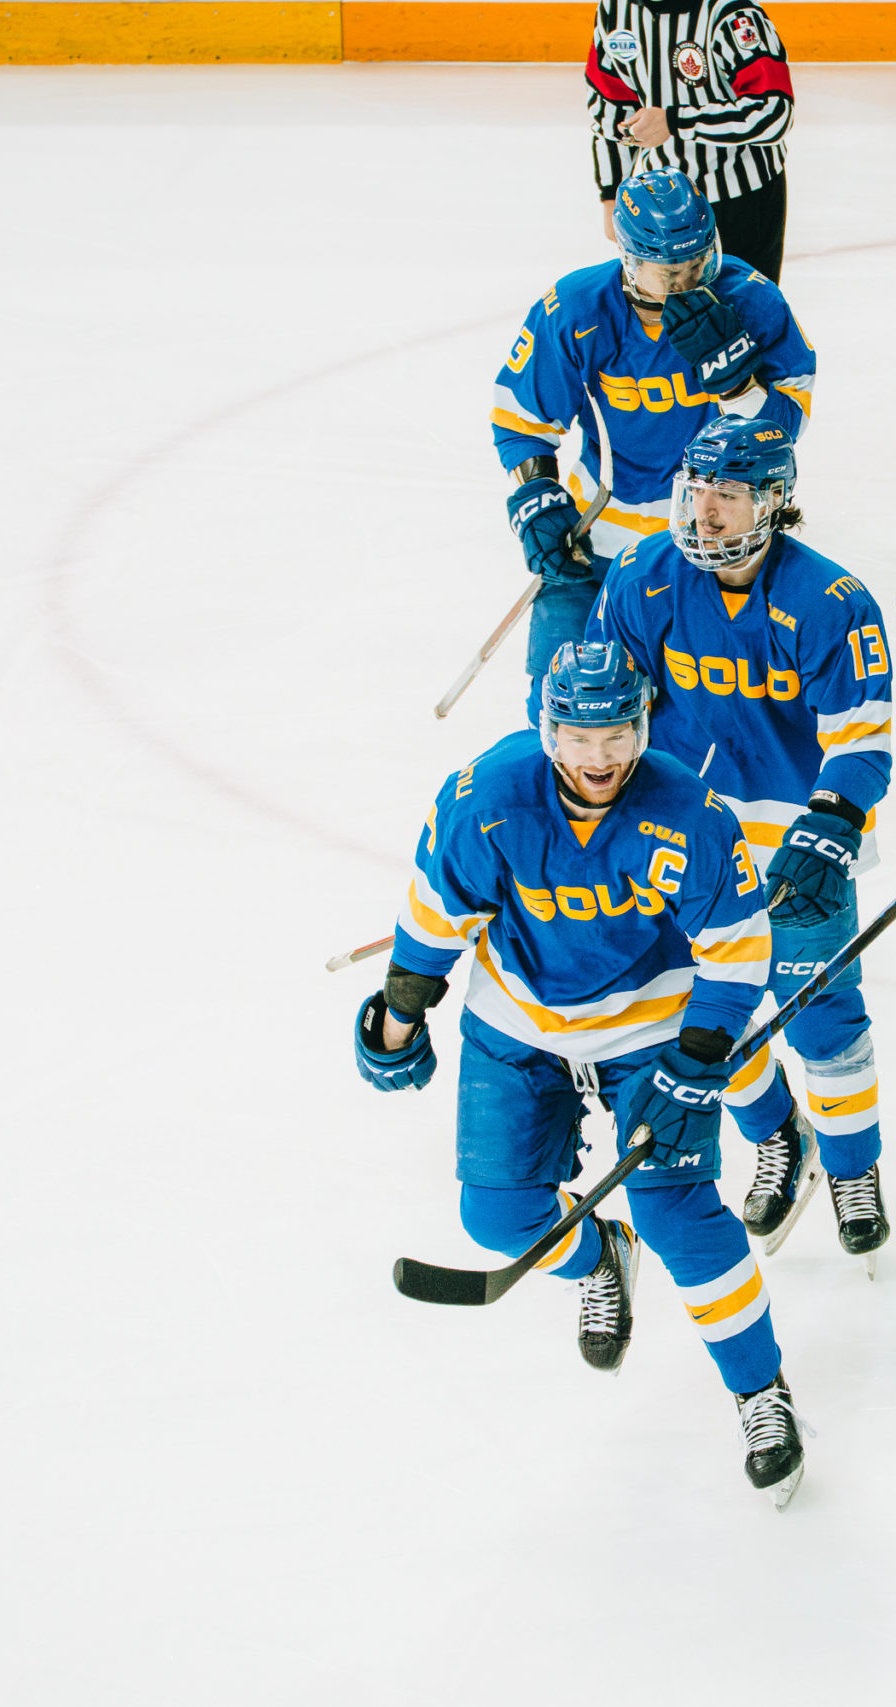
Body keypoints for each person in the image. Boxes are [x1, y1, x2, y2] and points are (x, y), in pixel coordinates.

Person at [351, 641, 806, 1507]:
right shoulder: (484, 799)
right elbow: (434, 911)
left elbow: (739, 953)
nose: (599, 759)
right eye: (576, 736)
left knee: (680, 1215)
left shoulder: (692, 813)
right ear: (546, 728)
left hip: (652, 1019)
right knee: (496, 1217)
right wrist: (399, 1014)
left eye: (616, 735)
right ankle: (599, 1256)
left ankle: (761, 1392)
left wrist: (698, 1061)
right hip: (520, 1016)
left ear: (641, 726)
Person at [591, 416, 894, 1264]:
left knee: (820, 1016)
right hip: (681, 839)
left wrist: (831, 822)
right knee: (695, 1017)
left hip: (797, 840)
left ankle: (852, 1168)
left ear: (775, 500)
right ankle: (777, 1132)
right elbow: (602, 720)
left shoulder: (832, 601)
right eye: (697, 491)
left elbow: (862, 735)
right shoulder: (642, 577)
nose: (707, 512)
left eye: (729, 494)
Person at [491, 168, 816, 723]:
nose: (689, 284)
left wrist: (738, 382)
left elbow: (784, 430)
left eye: (698, 264)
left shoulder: (753, 301)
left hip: (714, 546)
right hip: (594, 538)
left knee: (694, 714)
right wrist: (537, 493)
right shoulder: (575, 308)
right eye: (670, 272)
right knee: (564, 708)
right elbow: (523, 417)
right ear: (630, 261)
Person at [585, 0, 793, 281]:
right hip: (660, 204)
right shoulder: (615, 9)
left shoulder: (732, 12)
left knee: (747, 314)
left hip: (742, 199)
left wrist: (675, 122)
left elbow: (773, 111)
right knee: (671, 316)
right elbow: (610, 107)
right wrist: (611, 194)